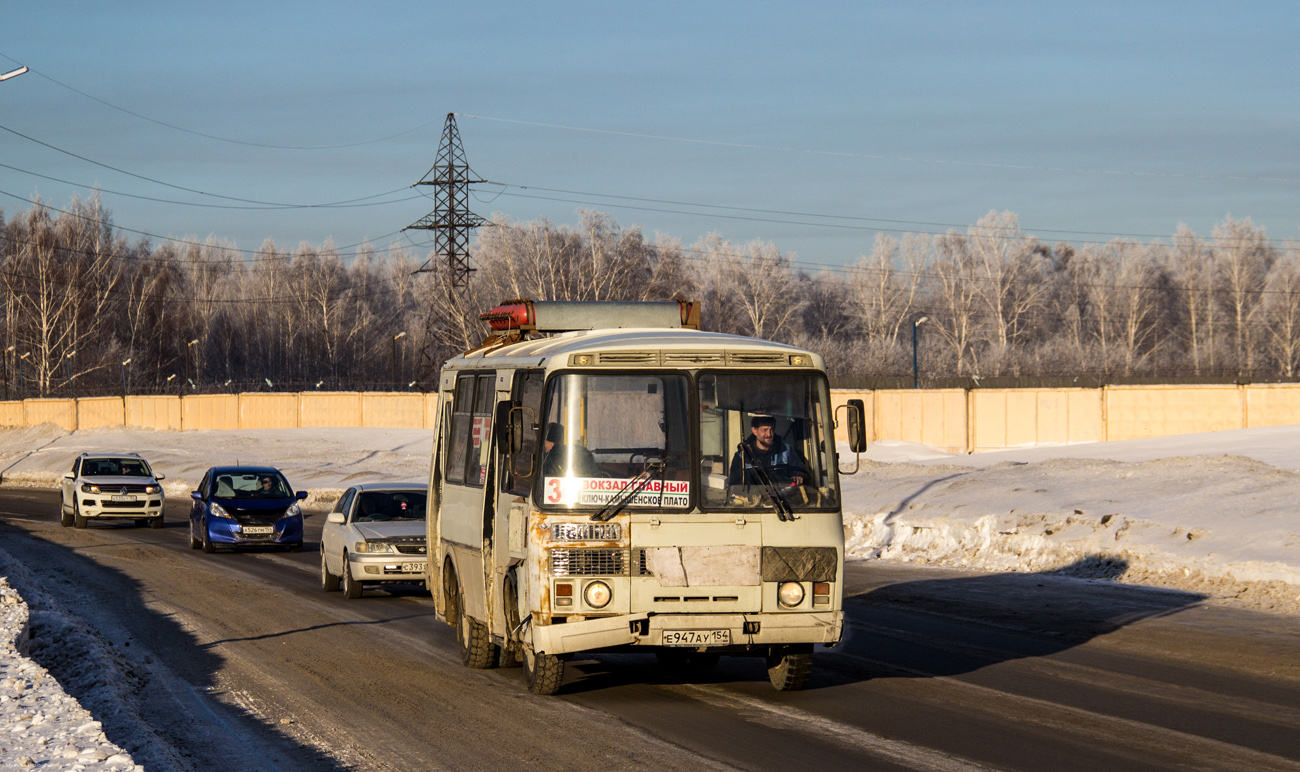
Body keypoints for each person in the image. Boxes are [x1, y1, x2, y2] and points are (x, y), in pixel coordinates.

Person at [729, 414, 808, 488]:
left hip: (782, 499)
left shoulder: (786, 451)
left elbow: (800, 470)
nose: (769, 434)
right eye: (765, 430)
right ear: (754, 430)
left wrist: (799, 476)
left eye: (772, 429)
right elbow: (735, 486)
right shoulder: (742, 456)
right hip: (754, 501)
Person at [540, 422, 604, 478]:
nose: (544, 446)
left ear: (553, 442)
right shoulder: (582, 453)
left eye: (545, 442)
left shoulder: (552, 458)